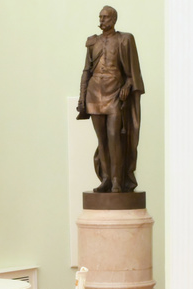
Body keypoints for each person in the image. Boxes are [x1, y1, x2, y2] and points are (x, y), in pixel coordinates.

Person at [77, 5, 145, 193]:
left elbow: (133, 73)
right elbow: (86, 71)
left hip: (114, 92)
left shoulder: (125, 40)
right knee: (102, 139)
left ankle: (117, 180)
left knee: (114, 136)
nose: (102, 20)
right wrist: (82, 98)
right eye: (100, 17)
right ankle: (106, 178)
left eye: (105, 17)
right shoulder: (92, 42)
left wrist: (127, 86)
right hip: (94, 93)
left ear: (114, 19)